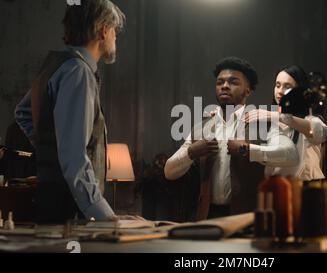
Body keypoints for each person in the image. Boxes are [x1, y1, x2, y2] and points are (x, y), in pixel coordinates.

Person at [15, 0, 142, 223]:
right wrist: (103, 214)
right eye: (114, 31)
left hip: (51, 201)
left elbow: (23, 113)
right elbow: (74, 158)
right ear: (103, 30)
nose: (115, 37)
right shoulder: (79, 72)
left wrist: (52, 150)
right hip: (69, 210)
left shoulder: (56, 64)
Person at [164, 57, 299, 220]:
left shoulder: (264, 125)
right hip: (206, 218)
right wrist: (191, 152)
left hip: (248, 220)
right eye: (220, 82)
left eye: (233, 82)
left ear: (247, 90)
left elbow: (291, 155)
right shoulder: (201, 128)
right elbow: (169, 172)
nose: (225, 86)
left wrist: (248, 150)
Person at [244, 65, 327, 181]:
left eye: (287, 86)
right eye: (277, 85)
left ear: (300, 91)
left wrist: (275, 115)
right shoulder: (272, 123)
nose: (280, 91)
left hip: (306, 190)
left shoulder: (308, 118)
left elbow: (320, 132)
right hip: (279, 189)